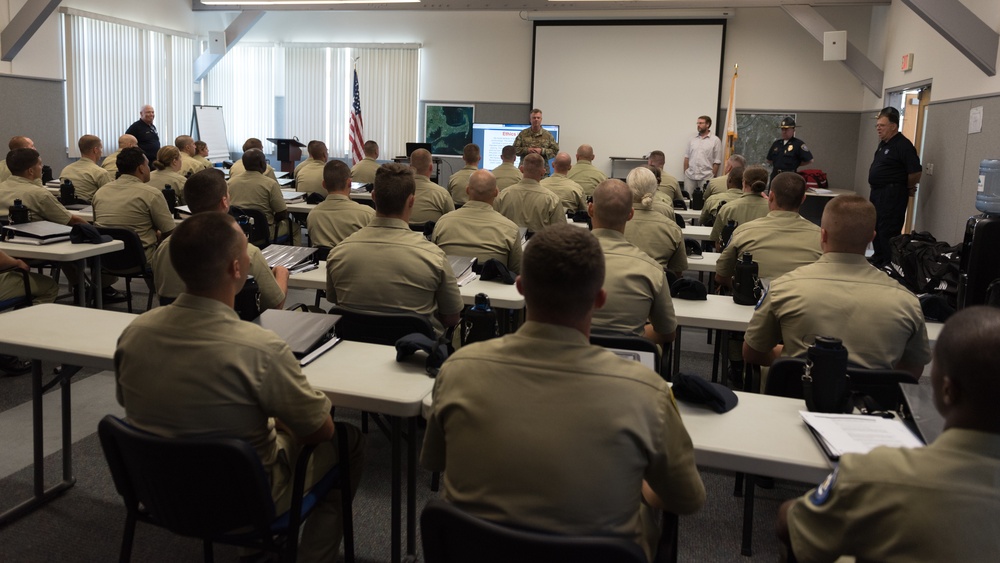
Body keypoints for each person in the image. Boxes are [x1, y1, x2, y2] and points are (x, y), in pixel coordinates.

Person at [421, 223, 705, 561]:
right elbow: (686, 498)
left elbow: (435, 462)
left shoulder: (458, 369)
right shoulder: (647, 392)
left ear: (521, 287)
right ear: (600, 298)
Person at [115, 211, 364, 563]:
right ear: (236, 269)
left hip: (159, 492)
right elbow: (319, 431)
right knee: (347, 441)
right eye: (247, 253)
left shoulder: (134, 333)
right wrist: (282, 421)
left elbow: (129, 406)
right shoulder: (260, 347)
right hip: (244, 501)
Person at [777, 305, 1000, 562]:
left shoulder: (873, 473)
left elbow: (793, 526)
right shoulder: (906, 302)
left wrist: (789, 508)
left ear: (947, 390)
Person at [743, 194, 930, 378]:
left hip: (795, 402)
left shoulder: (783, 289)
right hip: (872, 406)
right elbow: (912, 370)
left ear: (822, 235)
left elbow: (752, 352)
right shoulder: (907, 301)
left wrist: (788, 359)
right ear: (871, 238)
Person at [326, 163, 463, 334]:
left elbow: (334, 299)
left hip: (352, 350)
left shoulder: (339, 253)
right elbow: (452, 318)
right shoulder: (433, 257)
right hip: (415, 356)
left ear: (374, 197)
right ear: (412, 200)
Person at [152, 168, 288, 309]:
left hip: (175, 327)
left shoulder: (164, 248)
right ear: (224, 201)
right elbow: (275, 304)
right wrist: (282, 273)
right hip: (233, 328)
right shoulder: (244, 251)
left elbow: (162, 294)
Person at [590, 179, 677, 346]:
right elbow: (667, 333)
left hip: (567, 363)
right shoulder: (651, 269)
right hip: (628, 366)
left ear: (590, 209)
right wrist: (636, 336)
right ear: (630, 214)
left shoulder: (560, 261)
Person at [715, 171, 821, 289]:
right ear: (803, 199)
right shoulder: (821, 238)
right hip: (802, 304)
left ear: (771, 196)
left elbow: (721, 275)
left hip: (752, 303)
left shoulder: (743, 232)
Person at [92, 147, 176, 263]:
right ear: (141, 168)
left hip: (106, 258)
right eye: (147, 165)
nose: (149, 168)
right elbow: (169, 231)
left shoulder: (100, 192)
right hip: (141, 259)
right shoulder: (151, 194)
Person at [432, 169, 523, 273]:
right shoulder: (510, 229)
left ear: (467, 190)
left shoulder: (443, 223)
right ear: (496, 193)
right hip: (491, 288)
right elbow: (517, 271)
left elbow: (434, 261)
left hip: (453, 286)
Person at [868, 106, 921, 268]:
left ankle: (889, 264)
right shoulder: (884, 144)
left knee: (887, 230)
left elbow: (915, 172)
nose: (878, 128)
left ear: (893, 126)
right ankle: (878, 258)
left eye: (882, 125)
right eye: (877, 125)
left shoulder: (903, 145)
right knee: (875, 226)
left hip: (892, 194)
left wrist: (908, 187)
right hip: (878, 192)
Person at [623, 167, 687, 276]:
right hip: (657, 289)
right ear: (656, 187)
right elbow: (677, 272)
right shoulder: (673, 229)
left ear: (627, 189)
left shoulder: (613, 223)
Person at [0, 148, 87, 226]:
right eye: (40, 164)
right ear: (31, 171)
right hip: (36, 239)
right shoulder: (39, 194)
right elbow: (71, 221)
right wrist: (97, 233)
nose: (42, 167)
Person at [228, 148, 298, 245]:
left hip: (239, 231)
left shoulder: (230, 183)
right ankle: (294, 259)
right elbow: (282, 213)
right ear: (262, 164)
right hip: (264, 232)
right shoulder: (270, 184)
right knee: (295, 228)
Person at [306, 160, 374, 249]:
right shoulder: (367, 214)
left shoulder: (312, 215)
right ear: (350, 183)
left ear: (324, 184)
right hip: (352, 262)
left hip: (324, 262)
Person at [493, 153, 564, 233]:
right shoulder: (552, 199)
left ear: (521, 169)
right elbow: (560, 232)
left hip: (508, 244)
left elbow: (493, 225)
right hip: (539, 244)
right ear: (543, 172)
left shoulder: (503, 195)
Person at [710, 165, 769, 250]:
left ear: (743, 183)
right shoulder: (772, 209)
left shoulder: (728, 208)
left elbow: (717, 242)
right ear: (765, 184)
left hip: (734, 257)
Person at [58, 135, 114, 202]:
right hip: (88, 209)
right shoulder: (100, 172)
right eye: (100, 148)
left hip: (66, 208)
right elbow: (110, 196)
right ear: (95, 150)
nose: (101, 152)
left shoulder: (66, 169)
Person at [408, 148, 455, 224]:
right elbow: (452, 221)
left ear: (410, 167)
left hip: (404, 235)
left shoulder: (398, 192)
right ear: (431, 167)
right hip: (431, 235)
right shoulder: (442, 194)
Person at [682, 115, 722, 193]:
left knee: (704, 201)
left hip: (706, 177)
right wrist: (686, 172)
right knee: (689, 201)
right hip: (690, 177)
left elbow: (717, 161)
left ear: (707, 124)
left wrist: (712, 175)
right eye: (697, 123)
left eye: (701, 123)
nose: (698, 125)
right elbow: (687, 157)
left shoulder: (715, 140)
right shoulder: (692, 139)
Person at [513, 108, 558, 175]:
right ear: (530, 120)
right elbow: (514, 150)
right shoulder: (523, 134)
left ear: (541, 119)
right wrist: (527, 150)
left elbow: (555, 150)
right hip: (525, 170)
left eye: (538, 118)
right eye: (534, 118)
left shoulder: (548, 135)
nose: (536, 120)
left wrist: (542, 151)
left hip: (542, 171)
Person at [766, 117, 813, 181]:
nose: (784, 132)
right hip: (775, 175)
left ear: (793, 130)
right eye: (782, 129)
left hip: (789, 176)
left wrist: (796, 164)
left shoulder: (798, 144)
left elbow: (810, 160)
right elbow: (769, 160)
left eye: (787, 129)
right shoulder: (776, 144)